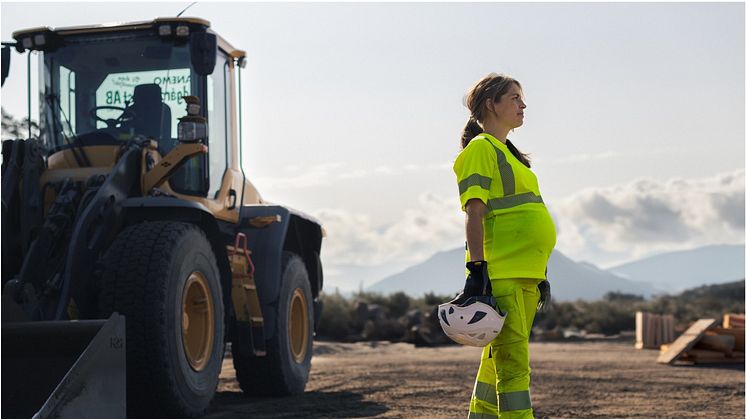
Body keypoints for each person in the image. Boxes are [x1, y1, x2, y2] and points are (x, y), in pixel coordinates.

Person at [452, 73, 556, 419]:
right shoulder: (481, 149)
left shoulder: (510, 155)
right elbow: (475, 211)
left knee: (496, 368)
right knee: (514, 370)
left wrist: (539, 271)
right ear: (490, 104)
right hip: (505, 274)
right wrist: (477, 271)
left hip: (524, 275)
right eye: (514, 97)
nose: (523, 105)